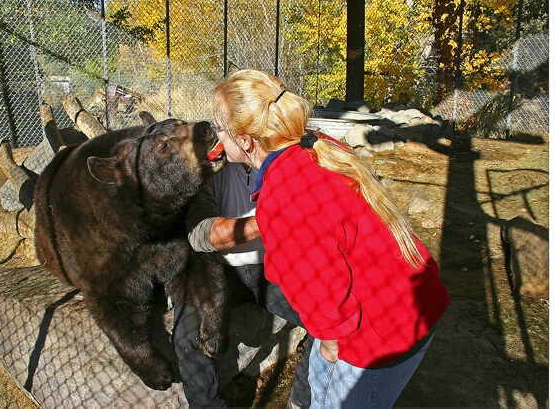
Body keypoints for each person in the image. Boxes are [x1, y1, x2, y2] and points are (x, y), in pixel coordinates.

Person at [210, 69, 451, 409]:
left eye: (221, 129)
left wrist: (328, 340)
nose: (217, 136)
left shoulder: (284, 195)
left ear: (246, 140)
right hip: (410, 303)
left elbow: (321, 287)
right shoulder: (314, 148)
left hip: (380, 335)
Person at [172, 157, 313, 408]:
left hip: (272, 264)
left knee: (321, 316)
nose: (224, 136)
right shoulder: (209, 163)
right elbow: (200, 233)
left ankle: (301, 400)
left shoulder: (283, 158)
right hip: (214, 269)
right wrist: (271, 219)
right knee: (187, 338)